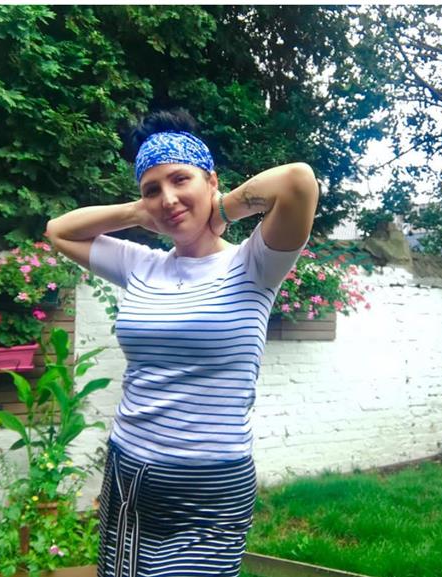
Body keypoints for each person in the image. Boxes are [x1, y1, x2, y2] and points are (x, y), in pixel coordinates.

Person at [46, 108, 319, 577]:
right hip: (131, 468)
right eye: (152, 188)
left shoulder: (254, 264)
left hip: (213, 485)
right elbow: (58, 230)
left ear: (211, 180)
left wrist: (222, 210)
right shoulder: (141, 264)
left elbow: (297, 182)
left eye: (180, 180)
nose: (168, 198)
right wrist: (140, 212)